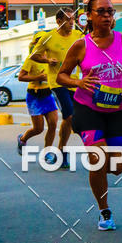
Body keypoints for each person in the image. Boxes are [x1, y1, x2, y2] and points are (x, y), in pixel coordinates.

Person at [56, 0, 122, 231]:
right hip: (87, 108)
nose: (106, 15)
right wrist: (78, 82)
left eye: (110, 11)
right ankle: (104, 210)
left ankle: (99, 168)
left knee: (117, 167)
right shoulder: (80, 45)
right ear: (89, 16)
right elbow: (61, 75)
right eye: (101, 11)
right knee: (98, 158)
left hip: (117, 109)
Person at [30, 9, 83, 169]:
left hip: (75, 82)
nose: (72, 22)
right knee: (69, 115)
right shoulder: (48, 37)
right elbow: (34, 55)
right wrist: (47, 60)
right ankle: (63, 152)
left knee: (73, 118)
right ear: (59, 21)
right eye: (68, 19)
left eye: (73, 19)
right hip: (57, 82)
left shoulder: (78, 36)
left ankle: (61, 149)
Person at [16, 50, 58, 155]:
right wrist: (37, 78)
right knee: (38, 129)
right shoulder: (31, 58)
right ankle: (22, 139)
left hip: (48, 95)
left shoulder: (51, 58)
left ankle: (47, 153)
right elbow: (21, 77)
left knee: (53, 124)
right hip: (34, 97)